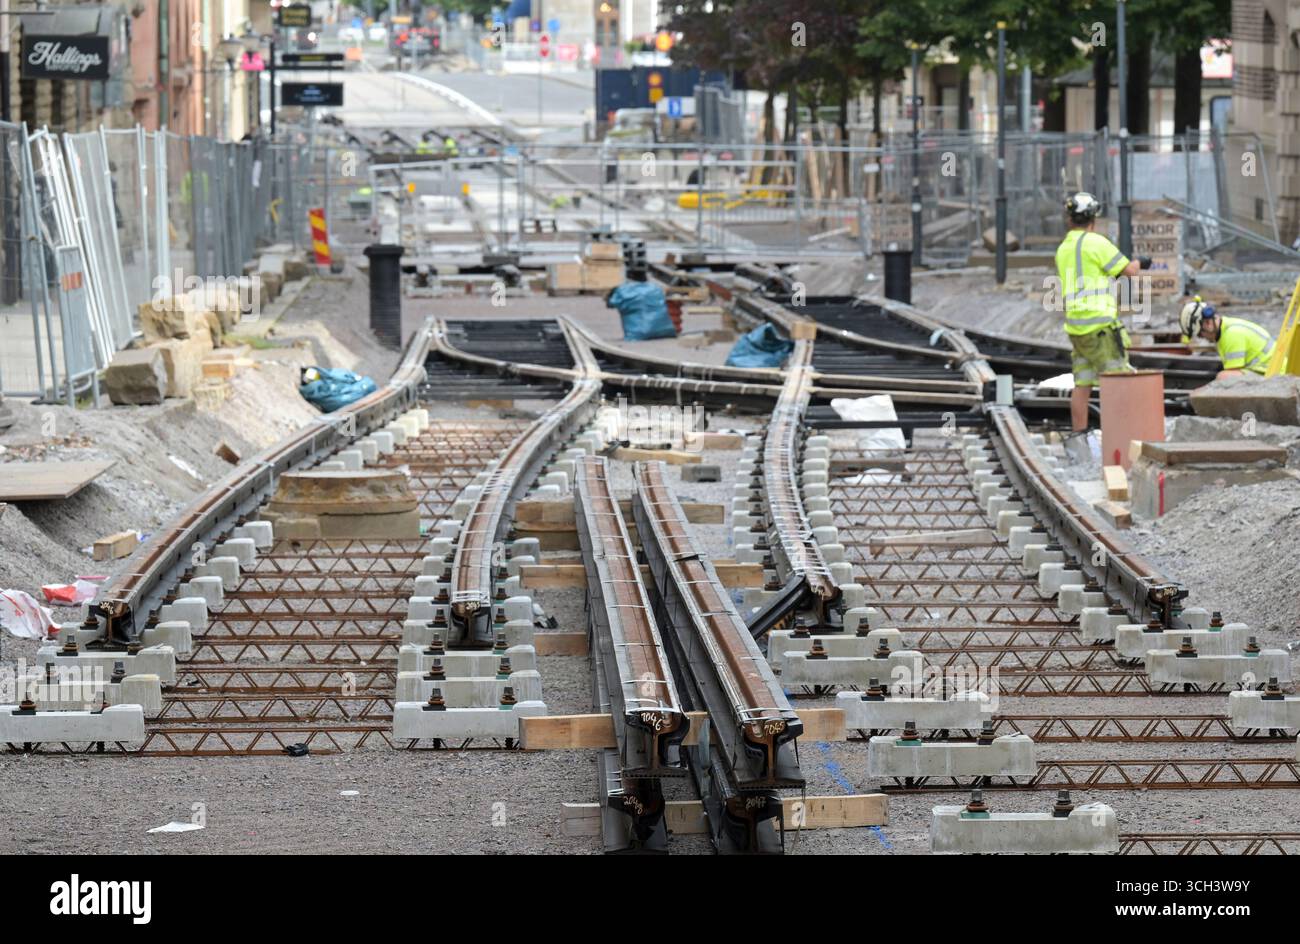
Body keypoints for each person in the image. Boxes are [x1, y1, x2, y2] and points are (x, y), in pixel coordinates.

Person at [1054, 191, 1151, 432]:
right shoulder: (1096, 242)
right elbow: (1129, 270)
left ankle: (1080, 439)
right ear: (1093, 219)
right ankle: (1121, 439)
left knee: (1082, 385)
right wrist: (1142, 262)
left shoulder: (1063, 249)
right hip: (1100, 327)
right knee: (1117, 382)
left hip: (1076, 328)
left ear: (1069, 219)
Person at [1179, 297, 1276, 379]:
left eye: (1200, 334)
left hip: (1272, 374)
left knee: (1223, 377)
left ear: (1208, 324)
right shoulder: (1226, 327)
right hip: (1268, 369)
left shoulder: (1231, 335)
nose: (1203, 338)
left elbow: (1230, 379)